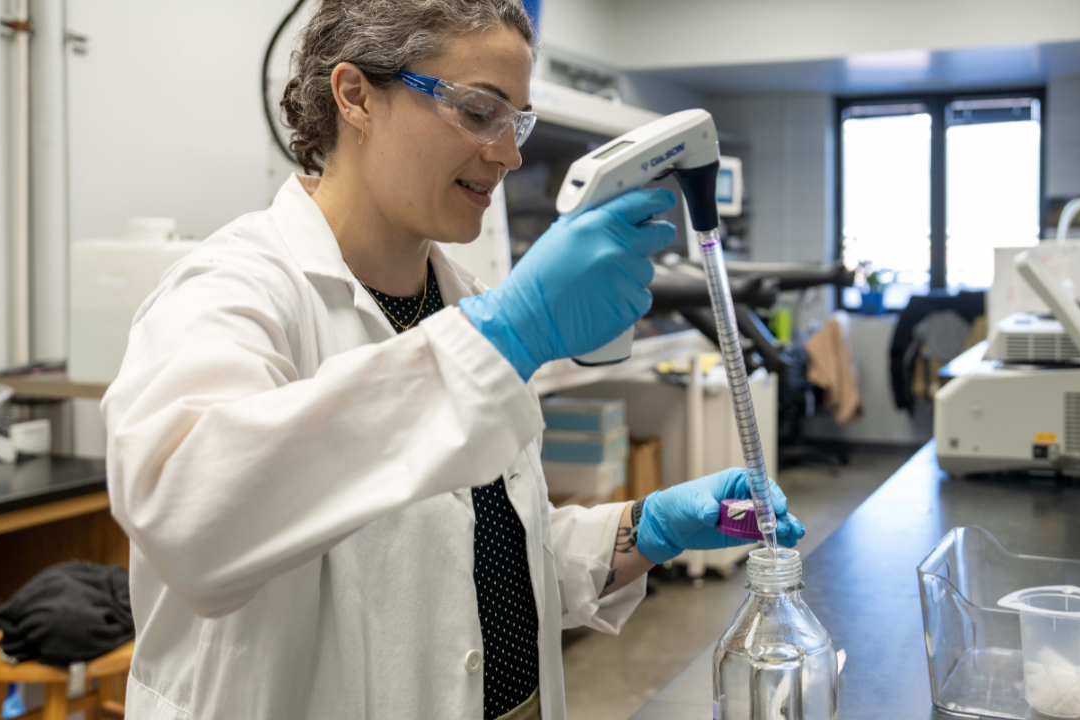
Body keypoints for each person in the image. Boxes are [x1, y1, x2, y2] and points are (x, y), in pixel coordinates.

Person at [101, 1, 803, 718]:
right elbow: (190, 518)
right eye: (478, 112)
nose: (509, 153)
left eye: (517, 120)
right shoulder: (232, 288)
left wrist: (646, 529)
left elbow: (478, 564)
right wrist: (511, 333)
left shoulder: (461, 303)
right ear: (354, 96)